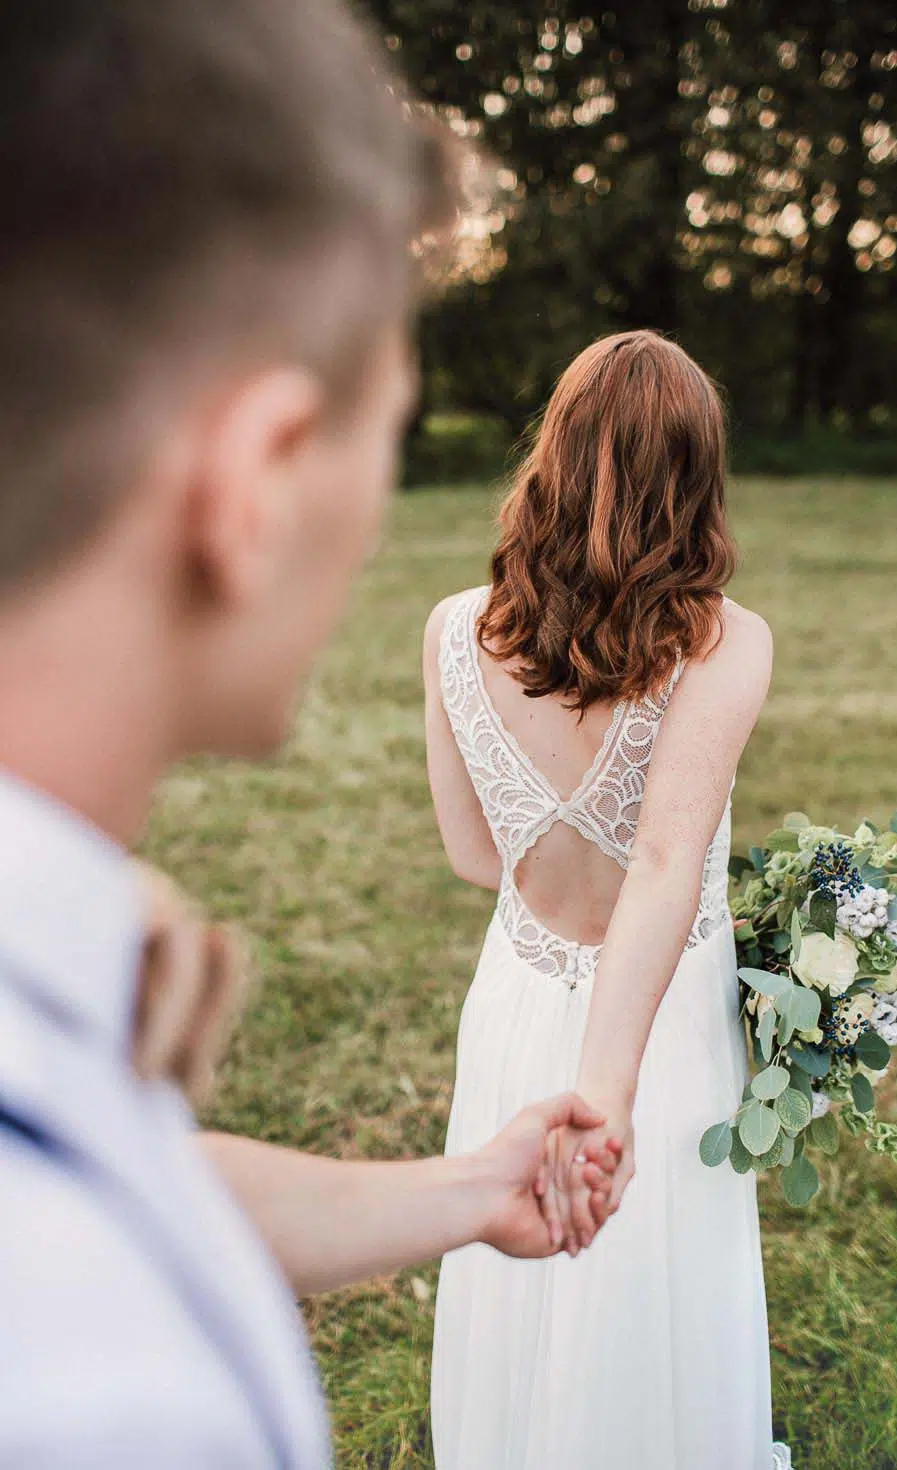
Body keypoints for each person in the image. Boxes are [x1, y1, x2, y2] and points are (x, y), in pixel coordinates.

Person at [0, 3, 617, 1466]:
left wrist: (467, 1186)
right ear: (258, 481)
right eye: (382, 433)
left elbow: (143, 1186)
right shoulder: (107, 1390)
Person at [425, 331, 794, 1469]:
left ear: (553, 453)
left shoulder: (451, 630)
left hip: (518, 992)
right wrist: (609, 1088)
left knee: (512, 1262)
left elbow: (473, 859)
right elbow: (662, 864)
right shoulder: (725, 645)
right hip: (652, 1016)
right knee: (653, 1277)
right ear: (693, 479)